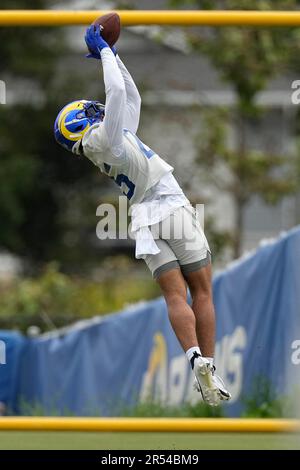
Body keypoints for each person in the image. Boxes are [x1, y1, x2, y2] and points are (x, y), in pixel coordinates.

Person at [54, 25, 231, 406]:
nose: (94, 109)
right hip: (168, 202)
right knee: (201, 289)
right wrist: (102, 50)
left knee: (173, 296)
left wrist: (114, 56)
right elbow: (116, 93)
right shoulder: (104, 137)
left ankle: (194, 358)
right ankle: (211, 365)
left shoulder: (107, 141)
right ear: (80, 125)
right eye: (86, 112)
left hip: (143, 219)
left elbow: (130, 95)